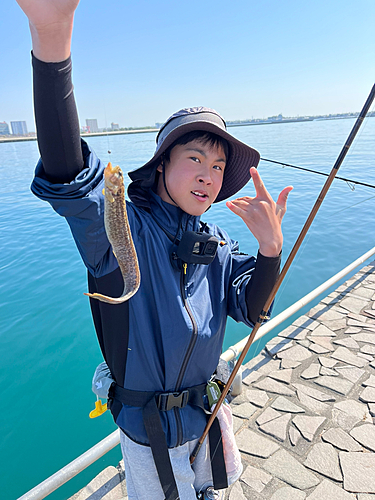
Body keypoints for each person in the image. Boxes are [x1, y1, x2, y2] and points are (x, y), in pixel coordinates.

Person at [17, 1, 293, 498]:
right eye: (194, 158)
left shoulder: (216, 242)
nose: (208, 174)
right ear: (161, 165)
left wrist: (270, 250)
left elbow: (252, 309)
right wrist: (51, 35)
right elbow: (67, 171)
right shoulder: (124, 226)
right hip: (150, 434)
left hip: (207, 414)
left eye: (217, 165)